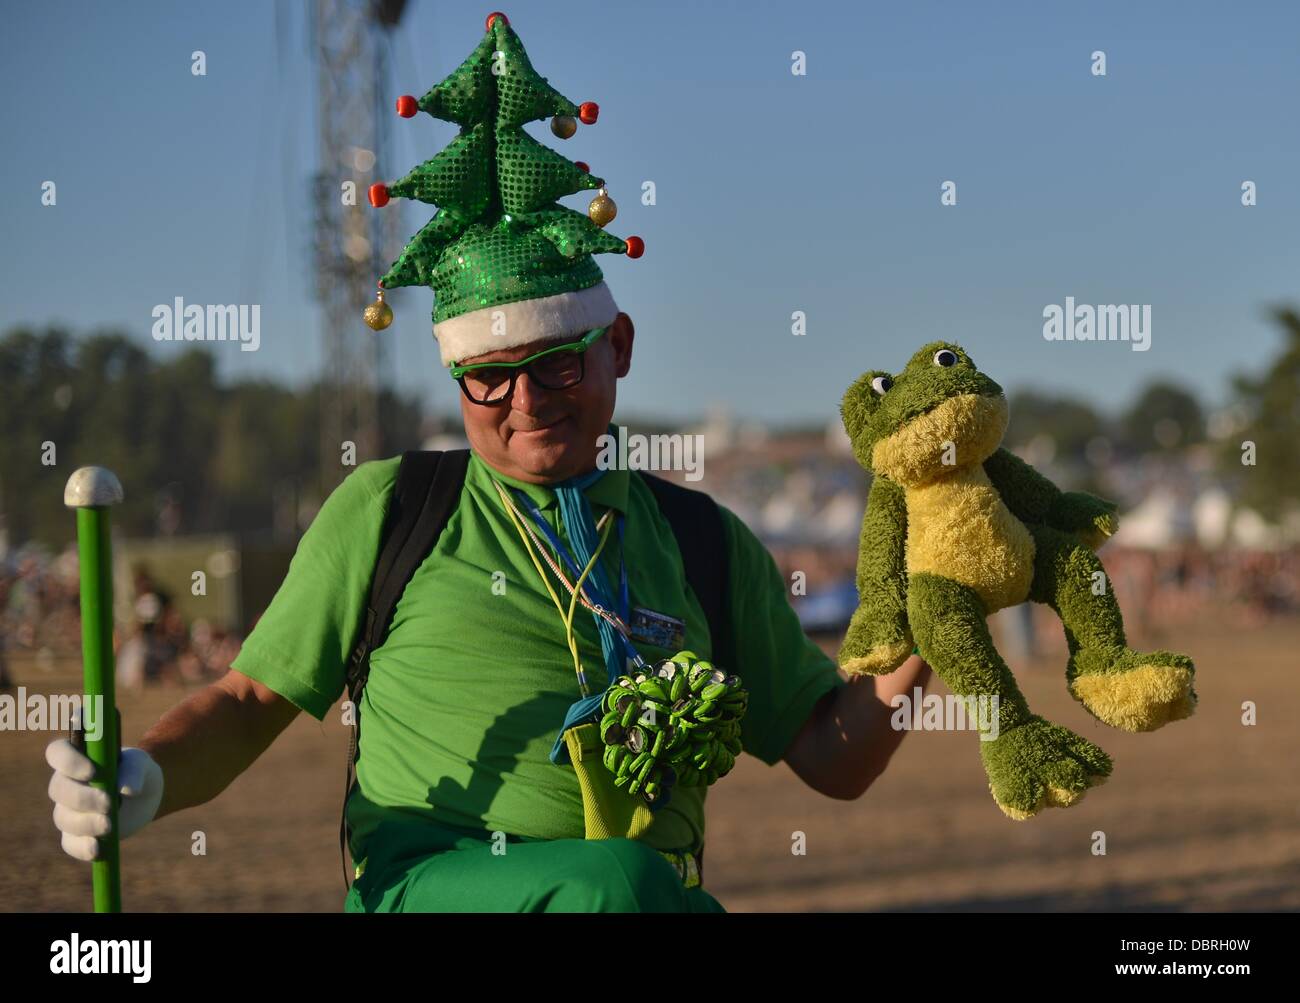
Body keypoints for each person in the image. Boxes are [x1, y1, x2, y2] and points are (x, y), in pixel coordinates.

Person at [45, 12, 931, 913]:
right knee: (621, 886)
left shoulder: (704, 540)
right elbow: (244, 703)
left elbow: (834, 754)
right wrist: (143, 776)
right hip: (430, 892)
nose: (526, 399)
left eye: (555, 362)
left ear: (616, 346)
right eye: (488, 379)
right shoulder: (390, 509)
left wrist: (936, 607)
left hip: (648, 903)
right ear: (456, 380)